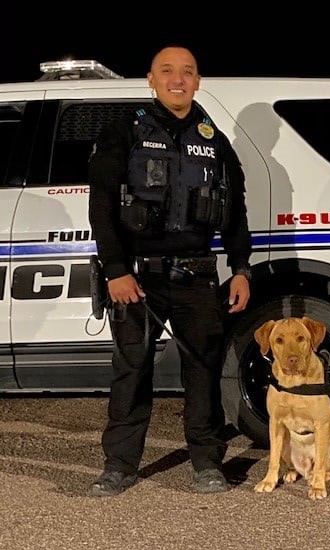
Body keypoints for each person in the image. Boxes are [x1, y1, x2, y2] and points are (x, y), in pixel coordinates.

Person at [87, 45, 252, 497]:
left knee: (202, 369)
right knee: (132, 369)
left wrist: (240, 268)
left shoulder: (215, 140)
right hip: (137, 279)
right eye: (167, 71)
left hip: (198, 276)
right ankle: (119, 466)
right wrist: (116, 270)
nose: (177, 79)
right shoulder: (124, 131)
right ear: (151, 79)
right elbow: (101, 205)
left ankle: (207, 463)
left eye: (187, 72)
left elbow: (236, 212)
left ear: (197, 81)